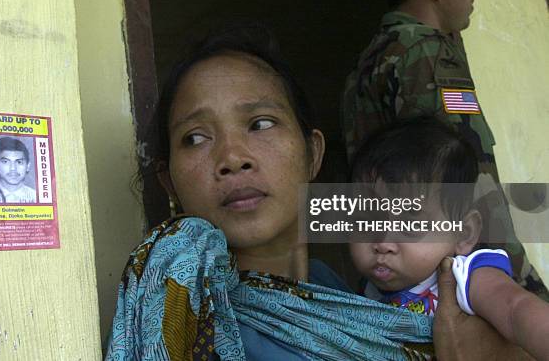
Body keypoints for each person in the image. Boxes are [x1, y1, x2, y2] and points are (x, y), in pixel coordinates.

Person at [106, 24, 526, 360]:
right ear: (169, 182)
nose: (232, 157)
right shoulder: (183, 312)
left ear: (312, 153)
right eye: (195, 138)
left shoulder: (357, 293)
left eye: (261, 123)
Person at [341, 0, 548, 299]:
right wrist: (517, 280)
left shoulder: (371, 58)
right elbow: (463, 182)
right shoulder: (427, 53)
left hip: (402, 279)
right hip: (456, 280)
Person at [349, 118, 549, 360]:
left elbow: (515, 310)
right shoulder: (360, 293)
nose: (382, 243)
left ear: (464, 234)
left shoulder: (466, 277)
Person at [0, 136, 37, 203]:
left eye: (19, 162)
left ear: (28, 166)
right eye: (6, 162)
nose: (13, 168)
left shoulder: (37, 197)